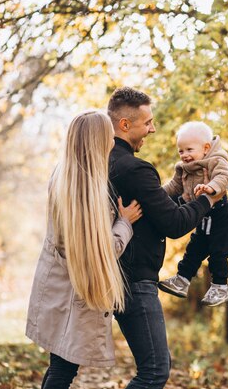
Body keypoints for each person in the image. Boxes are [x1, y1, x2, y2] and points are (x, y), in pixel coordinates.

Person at [107, 87, 222, 389]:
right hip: (135, 281)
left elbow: (161, 212)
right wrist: (211, 198)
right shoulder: (136, 169)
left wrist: (189, 198)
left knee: (64, 365)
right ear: (125, 125)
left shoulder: (102, 163)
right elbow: (173, 223)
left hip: (111, 275)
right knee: (155, 370)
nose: (153, 129)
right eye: (148, 122)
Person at [26, 111, 143, 389]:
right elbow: (104, 249)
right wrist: (125, 223)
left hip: (56, 283)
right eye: (109, 138)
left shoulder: (62, 176)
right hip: (76, 291)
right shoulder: (89, 193)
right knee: (63, 370)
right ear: (99, 142)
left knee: (59, 364)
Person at [158, 121, 228, 306]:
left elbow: (224, 178)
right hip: (203, 219)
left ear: (206, 148)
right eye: (181, 151)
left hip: (222, 218)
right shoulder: (183, 168)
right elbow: (174, 187)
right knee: (193, 250)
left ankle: (219, 287)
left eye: (189, 150)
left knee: (218, 254)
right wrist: (156, 194)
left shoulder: (216, 160)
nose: (185, 155)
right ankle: (182, 280)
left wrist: (210, 188)